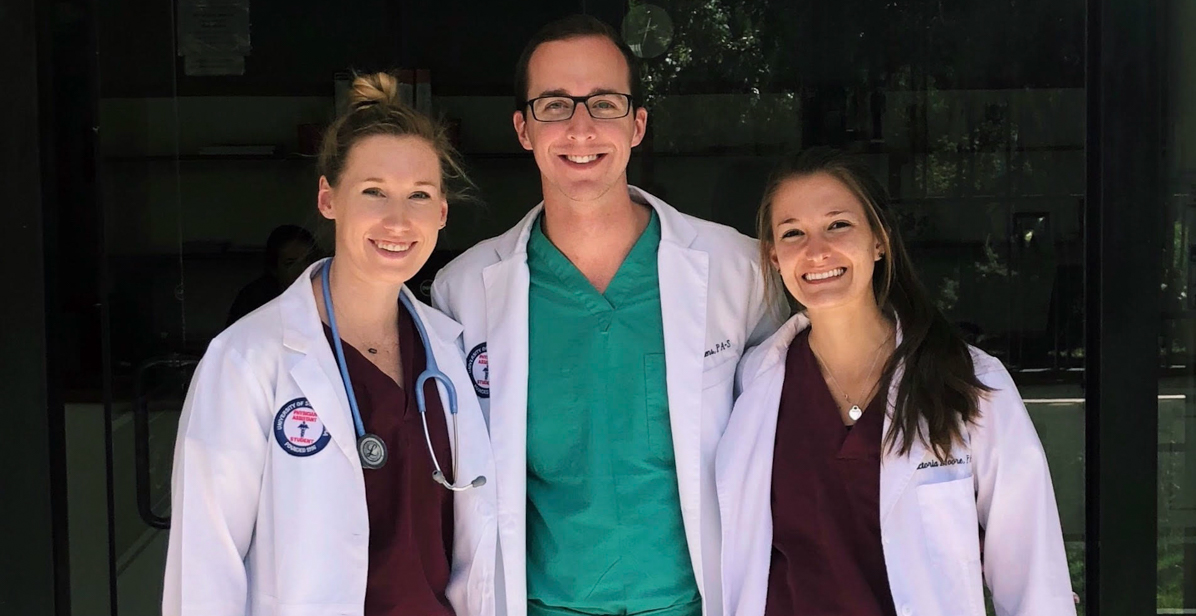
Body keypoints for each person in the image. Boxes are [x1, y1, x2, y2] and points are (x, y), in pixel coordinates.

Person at [432, 15, 782, 616]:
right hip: (541, 604)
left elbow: (792, 437)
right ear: (523, 129)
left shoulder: (738, 270)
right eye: (554, 105)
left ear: (637, 124)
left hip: (698, 602)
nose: (580, 127)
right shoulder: (462, 290)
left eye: (604, 102)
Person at [163, 72, 497, 616]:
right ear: (327, 198)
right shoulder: (249, 358)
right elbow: (204, 565)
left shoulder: (446, 348)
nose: (397, 219)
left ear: (441, 213)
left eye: (419, 195)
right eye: (373, 192)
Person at [716, 147, 1076, 616]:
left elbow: (1032, 573)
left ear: (879, 240)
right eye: (792, 233)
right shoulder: (751, 383)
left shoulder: (968, 382)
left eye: (838, 225)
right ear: (774, 258)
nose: (816, 250)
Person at [226, 224, 319, 326]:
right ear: (274, 268)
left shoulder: (326, 294)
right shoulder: (254, 300)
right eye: (290, 263)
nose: (302, 269)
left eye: (308, 260)